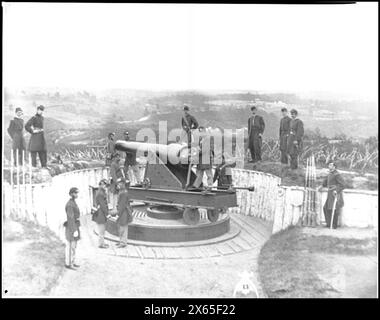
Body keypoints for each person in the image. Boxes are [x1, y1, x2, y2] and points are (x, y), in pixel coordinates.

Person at [318, 161, 345, 229]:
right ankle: (329, 223)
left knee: (334, 209)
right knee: (326, 208)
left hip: (335, 194)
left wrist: (336, 190)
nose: (329, 166)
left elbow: (342, 185)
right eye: (329, 165)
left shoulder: (337, 174)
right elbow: (326, 181)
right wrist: (322, 186)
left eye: (330, 165)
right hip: (330, 193)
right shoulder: (330, 173)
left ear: (334, 167)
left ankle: (334, 225)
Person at [64, 187, 81, 269]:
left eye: (77, 193)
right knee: (70, 246)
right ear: (71, 194)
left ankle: (73, 262)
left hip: (74, 226)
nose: (76, 195)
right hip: (71, 228)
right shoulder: (70, 204)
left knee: (74, 246)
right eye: (75, 193)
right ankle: (69, 264)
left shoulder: (73, 202)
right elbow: (70, 218)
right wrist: (74, 230)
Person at [115, 178, 133, 248]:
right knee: (120, 226)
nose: (118, 185)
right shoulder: (122, 191)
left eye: (120, 183)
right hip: (122, 211)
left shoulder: (123, 193)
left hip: (124, 212)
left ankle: (123, 243)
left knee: (123, 227)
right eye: (118, 183)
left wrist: (118, 213)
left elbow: (122, 205)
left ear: (123, 184)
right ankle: (121, 241)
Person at [94, 179, 111, 248]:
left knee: (102, 230)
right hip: (101, 213)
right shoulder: (100, 193)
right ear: (100, 185)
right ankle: (101, 244)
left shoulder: (101, 192)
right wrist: (107, 214)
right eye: (104, 185)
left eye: (106, 185)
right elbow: (103, 205)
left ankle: (102, 243)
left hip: (101, 212)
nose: (105, 187)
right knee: (101, 230)